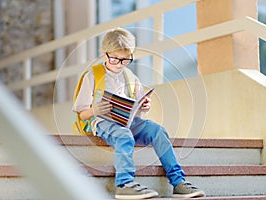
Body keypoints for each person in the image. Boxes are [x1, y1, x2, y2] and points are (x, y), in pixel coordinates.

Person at [72, 27, 205, 199]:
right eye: (115, 59)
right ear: (105, 54)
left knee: (158, 131)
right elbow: (82, 113)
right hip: (102, 122)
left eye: (125, 59)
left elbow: (136, 107)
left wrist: (143, 107)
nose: (120, 64)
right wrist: (94, 110)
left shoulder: (130, 77)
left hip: (128, 121)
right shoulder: (92, 75)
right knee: (124, 135)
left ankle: (178, 182)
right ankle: (124, 183)